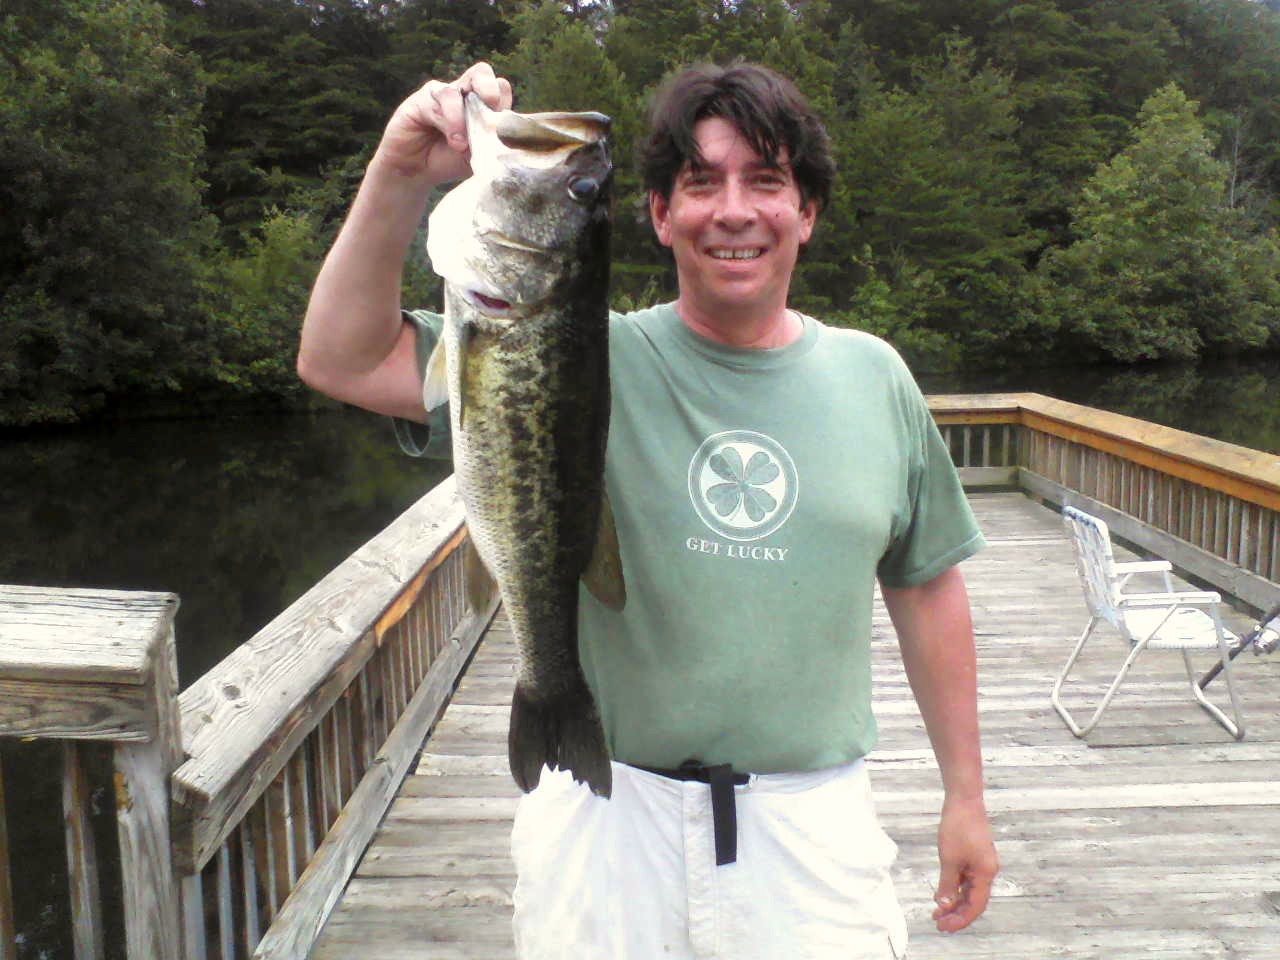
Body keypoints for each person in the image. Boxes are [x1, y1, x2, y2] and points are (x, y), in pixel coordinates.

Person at [298, 60, 998, 960]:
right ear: (664, 215)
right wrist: (398, 174)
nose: (734, 210)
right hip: (600, 817)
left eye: (767, 181)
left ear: (807, 213)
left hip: (811, 830)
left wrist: (966, 798)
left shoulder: (878, 378)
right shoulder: (570, 350)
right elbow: (342, 360)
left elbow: (929, 588)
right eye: (701, 182)